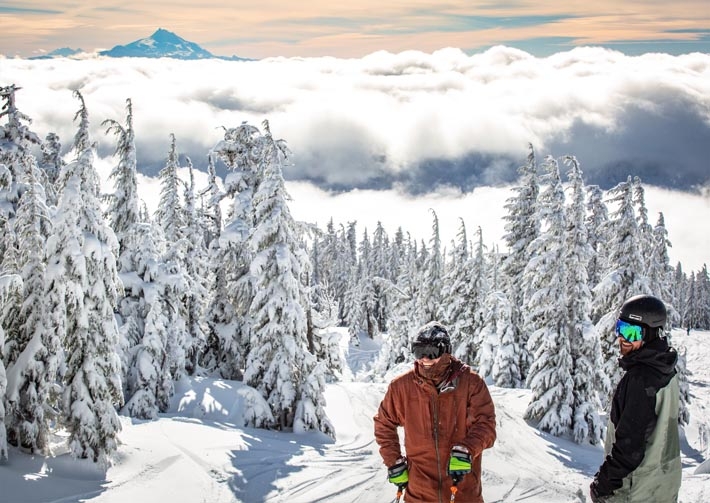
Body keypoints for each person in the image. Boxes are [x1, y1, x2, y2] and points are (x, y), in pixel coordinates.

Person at [374, 321, 496, 503]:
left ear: (446, 352)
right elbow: (384, 423)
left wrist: (467, 449)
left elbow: (486, 425)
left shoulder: (471, 383)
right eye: (418, 352)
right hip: (419, 494)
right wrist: (393, 460)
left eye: (431, 352)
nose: (425, 359)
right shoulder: (401, 387)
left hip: (463, 491)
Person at [590, 294, 682, 503]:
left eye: (631, 333)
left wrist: (602, 484)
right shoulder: (666, 369)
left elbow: (629, 448)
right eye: (620, 329)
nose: (622, 339)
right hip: (663, 484)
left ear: (649, 334)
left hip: (636, 490)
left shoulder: (641, 380)